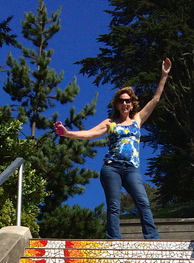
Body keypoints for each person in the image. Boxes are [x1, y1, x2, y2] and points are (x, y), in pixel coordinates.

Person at [53, 58, 172, 240]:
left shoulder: (137, 120)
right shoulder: (110, 123)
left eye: (128, 101)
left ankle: (152, 237)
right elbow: (89, 134)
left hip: (131, 168)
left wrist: (164, 75)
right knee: (114, 205)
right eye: (122, 101)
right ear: (117, 104)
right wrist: (67, 133)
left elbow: (155, 99)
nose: (125, 104)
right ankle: (114, 239)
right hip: (112, 167)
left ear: (132, 104)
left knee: (143, 202)